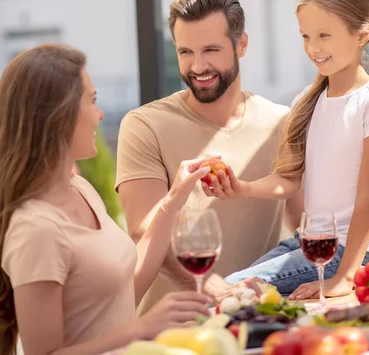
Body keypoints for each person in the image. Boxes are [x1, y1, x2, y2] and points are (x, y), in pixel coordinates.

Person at [0, 45, 212, 355]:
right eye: (92, 101)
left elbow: (122, 291)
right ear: (59, 115)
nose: (100, 113)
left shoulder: (81, 190)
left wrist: (174, 198)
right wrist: (141, 328)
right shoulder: (37, 229)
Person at [204, 0, 369, 300]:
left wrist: (346, 276)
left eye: (324, 35)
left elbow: (366, 201)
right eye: (306, 36)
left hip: (357, 253)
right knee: (227, 289)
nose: (313, 48)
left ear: (362, 35)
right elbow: (289, 179)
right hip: (309, 242)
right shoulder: (307, 102)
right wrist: (242, 188)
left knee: (230, 291)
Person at [116, 0, 304, 313]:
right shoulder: (144, 125)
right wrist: (219, 289)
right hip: (174, 331)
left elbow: (306, 224)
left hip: (257, 320)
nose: (197, 66)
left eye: (211, 50)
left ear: (241, 44)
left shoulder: (281, 123)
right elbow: (143, 230)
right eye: (185, 51)